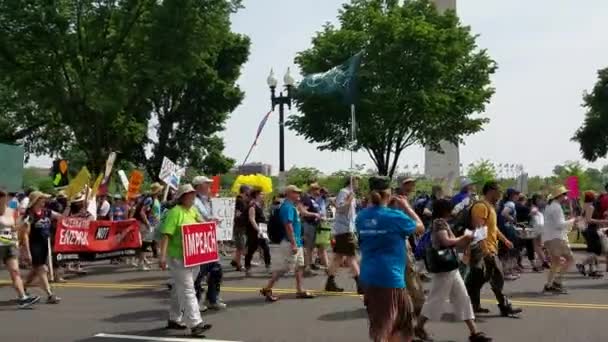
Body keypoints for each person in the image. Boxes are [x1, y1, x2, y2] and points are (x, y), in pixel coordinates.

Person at [415, 198, 492, 342]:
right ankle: (418, 327)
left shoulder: (441, 222)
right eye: (451, 209)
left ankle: (474, 333)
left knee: (462, 298)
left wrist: (467, 238)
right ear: (445, 210)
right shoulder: (439, 223)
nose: (453, 211)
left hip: (451, 267)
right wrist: (465, 237)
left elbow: (451, 241)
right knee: (435, 299)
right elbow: (446, 242)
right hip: (444, 267)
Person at [356, 176, 419, 342]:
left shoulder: (361, 216)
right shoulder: (395, 216)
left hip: (369, 276)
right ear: (389, 193)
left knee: (400, 326)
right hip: (389, 278)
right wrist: (406, 207)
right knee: (385, 329)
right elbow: (420, 227)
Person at [158, 184, 212, 337]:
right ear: (182, 197)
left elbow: (202, 224)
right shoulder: (175, 213)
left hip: (193, 256)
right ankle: (196, 323)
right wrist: (162, 256)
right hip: (177, 257)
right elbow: (166, 235)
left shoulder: (193, 210)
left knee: (178, 288)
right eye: (190, 194)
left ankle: (174, 319)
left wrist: (211, 223)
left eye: (194, 194)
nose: (193, 197)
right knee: (188, 289)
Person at [465, 181, 522, 317]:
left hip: (489, 248)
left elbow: (493, 228)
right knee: (498, 277)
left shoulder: (490, 207)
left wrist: (505, 240)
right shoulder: (481, 206)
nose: (500, 194)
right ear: (491, 191)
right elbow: (479, 229)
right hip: (482, 249)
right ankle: (505, 306)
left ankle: (473, 305)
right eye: (499, 190)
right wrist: (485, 250)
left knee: (478, 280)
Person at [260, 185, 315, 302]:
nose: (298, 195)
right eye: (296, 192)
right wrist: (294, 243)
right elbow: (288, 226)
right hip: (291, 242)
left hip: (297, 242)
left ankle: (300, 290)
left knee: (300, 266)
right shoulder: (287, 207)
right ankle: (267, 288)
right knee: (284, 268)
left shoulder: (292, 206)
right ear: (289, 193)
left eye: (299, 193)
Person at [20, 191, 67, 304]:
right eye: (42, 199)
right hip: (34, 246)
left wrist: (69, 206)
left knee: (35, 271)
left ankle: (22, 287)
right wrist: (27, 252)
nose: (44, 201)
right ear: (36, 200)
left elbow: (62, 217)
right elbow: (25, 234)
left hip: (44, 245)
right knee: (42, 269)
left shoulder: (46, 212)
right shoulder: (29, 215)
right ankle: (50, 295)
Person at [0, 189, 41, 308]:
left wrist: (23, 224)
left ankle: (23, 298)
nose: (3, 202)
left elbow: (12, 229)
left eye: (4, 200)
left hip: (8, 244)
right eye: (1, 200)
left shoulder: (9, 211)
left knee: (15, 271)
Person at [192, 176, 226, 311]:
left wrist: (214, 220)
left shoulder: (206, 200)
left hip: (209, 239)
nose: (209, 187)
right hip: (199, 240)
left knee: (216, 269)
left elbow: (207, 217)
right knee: (199, 273)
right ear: (199, 186)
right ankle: (197, 300)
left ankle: (212, 298)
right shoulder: (194, 201)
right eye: (207, 184)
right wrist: (209, 222)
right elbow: (197, 219)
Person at [325, 177, 362, 294]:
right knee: (351, 257)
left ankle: (330, 282)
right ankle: (360, 284)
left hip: (346, 229)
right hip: (345, 230)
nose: (358, 184)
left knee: (338, 257)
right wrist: (348, 200)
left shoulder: (350, 194)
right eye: (357, 182)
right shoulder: (344, 192)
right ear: (352, 182)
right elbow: (340, 208)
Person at [542, 186, 577, 293]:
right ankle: (557, 282)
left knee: (555, 263)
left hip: (549, 238)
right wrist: (572, 220)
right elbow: (559, 225)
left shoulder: (549, 206)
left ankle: (549, 285)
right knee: (570, 260)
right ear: (560, 196)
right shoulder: (556, 207)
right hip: (557, 238)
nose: (566, 196)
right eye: (564, 194)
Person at [577, 191, 607, 278]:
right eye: (595, 194)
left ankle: (592, 270)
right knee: (597, 250)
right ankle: (581, 264)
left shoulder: (587, 205)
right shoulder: (590, 206)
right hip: (591, 229)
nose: (596, 195)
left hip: (588, 229)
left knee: (592, 250)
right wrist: (602, 221)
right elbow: (589, 220)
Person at [245, 189, 272, 275]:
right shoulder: (252, 205)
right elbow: (252, 219)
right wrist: (258, 230)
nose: (263, 196)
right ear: (256, 195)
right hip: (254, 231)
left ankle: (268, 266)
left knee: (266, 248)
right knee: (251, 249)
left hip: (262, 229)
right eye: (261, 194)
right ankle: (247, 267)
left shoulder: (260, 205)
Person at [299, 183, 323, 275]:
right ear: (312, 190)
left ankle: (310, 265)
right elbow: (303, 212)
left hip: (313, 225)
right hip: (308, 225)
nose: (318, 192)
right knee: (308, 247)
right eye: (317, 190)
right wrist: (314, 214)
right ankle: (307, 268)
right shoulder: (307, 199)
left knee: (311, 247)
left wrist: (319, 215)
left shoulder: (313, 200)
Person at [498, 188, 520, 280]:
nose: (518, 196)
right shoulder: (510, 204)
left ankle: (508, 271)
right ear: (512, 195)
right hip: (507, 229)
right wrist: (512, 220)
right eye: (516, 194)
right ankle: (507, 272)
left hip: (504, 228)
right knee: (509, 250)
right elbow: (504, 213)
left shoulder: (505, 203)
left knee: (506, 250)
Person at [231, 185, 250, 271]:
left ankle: (235, 260)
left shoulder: (241, 201)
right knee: (240, 247)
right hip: (240, 226)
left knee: (241, 245)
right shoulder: (240, 201)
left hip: (240, 226)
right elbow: (238, 214)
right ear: (245, 191)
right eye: (248, 190)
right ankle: (239, 265)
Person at [529, 194, 549, 271]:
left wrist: (531, 213)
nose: (540, 200)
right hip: (541, 227)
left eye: (540, 199)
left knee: (536, 246)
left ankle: (544, 261)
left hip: (536, 227)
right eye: (539, 199)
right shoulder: (541, 207)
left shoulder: (535, 207)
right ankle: (542, 262)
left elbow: (532, 212)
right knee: (539, 245)